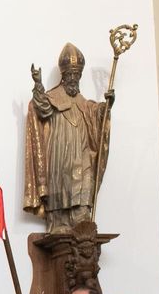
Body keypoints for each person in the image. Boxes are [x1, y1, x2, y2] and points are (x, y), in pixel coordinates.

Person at [23, 43, 113, 234]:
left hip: (82, 155)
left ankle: (82, 220)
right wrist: (38, 85)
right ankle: (59, 222)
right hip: (60, 154)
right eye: (70, 75)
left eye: (76, 76)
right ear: (63, 76)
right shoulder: (53, 97)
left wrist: (106, 106)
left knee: (85, 183)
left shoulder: (84, 104)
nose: (73, 79)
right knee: (61, 186)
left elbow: (96, 115)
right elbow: (42, 107)